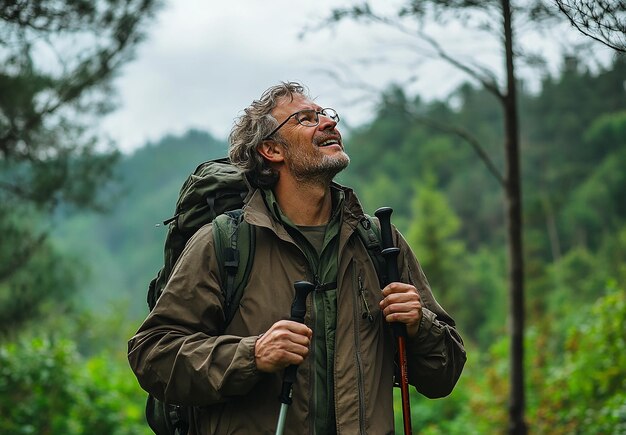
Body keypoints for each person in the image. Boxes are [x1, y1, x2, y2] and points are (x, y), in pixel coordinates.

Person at [128, 82, 466, 434]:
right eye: (306, 118)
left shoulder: (378, 243)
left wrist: (419, 325)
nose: (328, 123)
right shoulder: (225, 242)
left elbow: (444, 377)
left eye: (326, 114)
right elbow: (153, 353)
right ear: (272, 149)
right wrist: (252, 355)